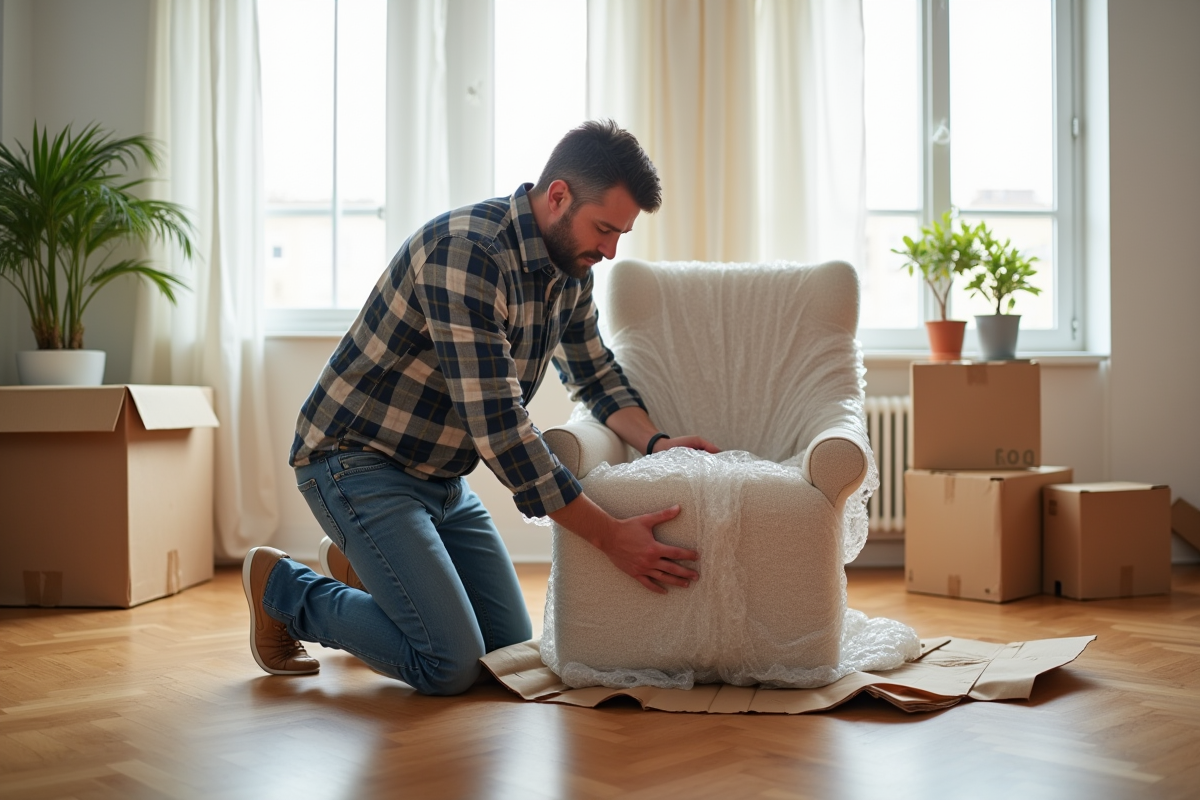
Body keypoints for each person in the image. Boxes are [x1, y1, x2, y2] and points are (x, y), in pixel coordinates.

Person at [242, 119, 718, 695]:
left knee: (508, 651)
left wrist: (657, 443)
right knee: (450, 665)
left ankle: (367, 574)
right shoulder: (467, 252)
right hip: (354, 464)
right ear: (559, 196)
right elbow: (500, 428)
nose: (611, 250)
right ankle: (284, 590)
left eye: (622, 234)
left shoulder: (571, 270)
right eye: (604, 229)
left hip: (440, 479)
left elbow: (593, 373)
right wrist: (610, 535)